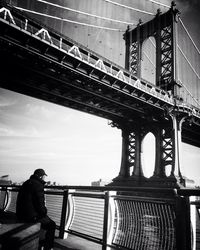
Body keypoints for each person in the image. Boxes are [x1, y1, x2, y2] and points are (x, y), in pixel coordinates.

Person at [16, 169, 56, 250]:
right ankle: (48, 247)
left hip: (21, 214)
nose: (45, 178)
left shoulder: (27, 182)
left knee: (44, 223)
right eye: (44, 176)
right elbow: (40, 205)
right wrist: (44, 213)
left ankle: (40, 243)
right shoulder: (38, 185)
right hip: (30, 216)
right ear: (41, 176)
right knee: (51, 224)